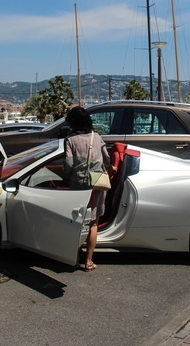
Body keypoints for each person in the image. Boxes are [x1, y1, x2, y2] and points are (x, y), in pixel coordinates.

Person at [64, 106, 116, 272]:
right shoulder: (97, 137)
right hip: (96, 184)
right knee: (93, 223)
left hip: (78, 185)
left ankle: (74, 257)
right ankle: (88, 261)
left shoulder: (70, 140)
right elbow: (107, 160)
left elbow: (69, 165)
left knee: (76, 222)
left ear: (72, 123)